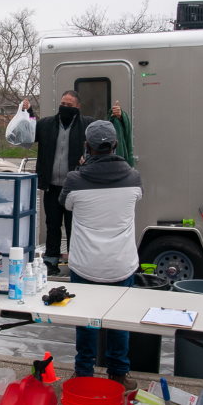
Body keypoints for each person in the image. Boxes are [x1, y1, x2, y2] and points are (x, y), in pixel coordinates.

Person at [59, 120, 142, 390]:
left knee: (86, 321)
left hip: (86, 264)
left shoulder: (75, 180)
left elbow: (65, 203)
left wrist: (81, 168)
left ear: (87, 146)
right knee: (119, 321)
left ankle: (84, 372)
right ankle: (119, 373)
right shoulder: (133, 177)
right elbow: (137, 197)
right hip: (121, 264)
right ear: (115, 145)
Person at [23, 91, 123, 275]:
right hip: (51, 186)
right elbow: (30, 131)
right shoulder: (46, 124)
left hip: (75, 188)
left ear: (78, 107)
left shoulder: (88, 125)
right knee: (52, 225)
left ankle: (75, 261)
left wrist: (117, 117)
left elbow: (105, 133)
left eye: (69, 105)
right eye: (63, 104)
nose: (65, 108)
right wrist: (28, 112)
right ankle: (50, 261)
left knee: (73, 227)